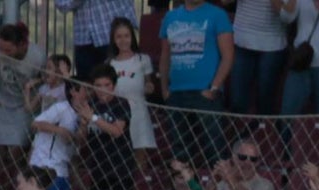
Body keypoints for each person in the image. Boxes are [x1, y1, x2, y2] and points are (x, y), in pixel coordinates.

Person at [159, 0, 234, 166]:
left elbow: (228, 56)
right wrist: (165, 89)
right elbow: (165, 56)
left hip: (206, 94)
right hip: (176, 95)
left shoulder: (218, 15)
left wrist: (213, 88)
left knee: (215, 150)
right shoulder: (170, 17)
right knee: (180, 153)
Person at [72, 65, 135, 190]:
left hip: (120, 165)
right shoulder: (91, 105)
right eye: (98, 85)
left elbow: (117, 131)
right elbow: (82, 139)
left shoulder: (120, 103)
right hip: (98, 165)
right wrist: (83, 123)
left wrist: (92, 117)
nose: (102, 89)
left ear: (113, 86)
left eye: (106, 85)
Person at [0, 25, 47, 181]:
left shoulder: (37, 56)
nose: (4, 54)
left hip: (25, 107)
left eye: (8, 50)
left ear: (22, 45)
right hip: (3, 104)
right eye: (1, 49)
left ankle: (18, 183)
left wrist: (36, 82)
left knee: (16, 149)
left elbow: (48, 78)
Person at [107, 17, 157, 168]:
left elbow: (149, 82)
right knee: (118, 153)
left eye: (126, 36)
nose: (123, 40)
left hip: (139, 112)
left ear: (132, 37)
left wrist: (149, 86)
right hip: (117, 113)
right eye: (119, 36)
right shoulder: (110, 63)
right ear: (114, 39)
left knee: (140, 154)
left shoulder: (143, 59)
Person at [229, 0, 290, 116]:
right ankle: (240, 131)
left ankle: (263, 131)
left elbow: (288, 17)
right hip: (242, 41)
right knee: (238, 100)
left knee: (265, 100)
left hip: (272, 44)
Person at [53, 0, 137, 79]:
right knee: (85, 87)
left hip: (113, 35)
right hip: (84, 39)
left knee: (119, 83)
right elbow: (61, 4)